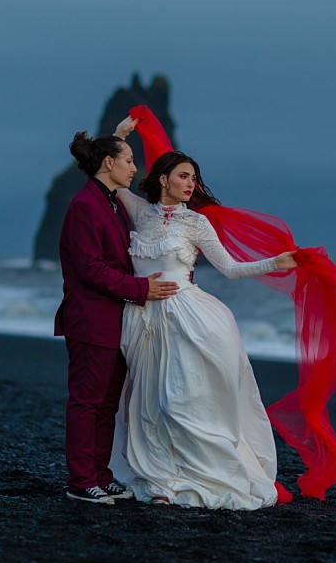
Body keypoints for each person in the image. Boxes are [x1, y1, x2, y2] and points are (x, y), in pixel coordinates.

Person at [106, 127, 298, 509]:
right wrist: (117, 135)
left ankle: (199, 474)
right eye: (183, 176)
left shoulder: (196, 223)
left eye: (194, 178)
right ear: (164, 179)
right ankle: (160, 483)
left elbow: (230, 268)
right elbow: (108, 171)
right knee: (146, 406)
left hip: (187, 319)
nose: (191, 184)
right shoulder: (138, 211)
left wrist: (274, 263)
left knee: (176, 401)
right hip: (142, 319)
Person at [54, 130, 179, 505]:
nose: (134, 168)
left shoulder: (111, 203)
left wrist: (120, 133)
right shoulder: (85, 205)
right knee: (87, 402)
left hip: (117, 320)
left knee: (108, 403)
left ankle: (100, 475)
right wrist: (142, 289)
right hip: (90, 319)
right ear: (109, 163)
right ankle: (80, 481)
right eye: (128, 160)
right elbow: (90, 268)